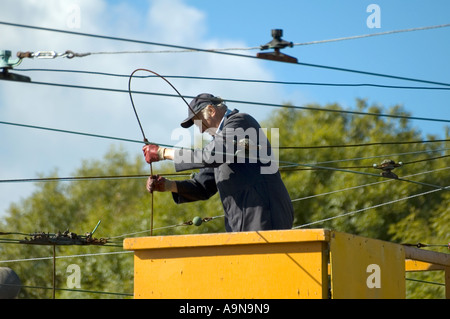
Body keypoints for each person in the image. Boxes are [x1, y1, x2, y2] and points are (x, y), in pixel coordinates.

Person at [142, 93, 294, 232]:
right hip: (240, 222)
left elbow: (212, 155)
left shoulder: (240, 121)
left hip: (263, 214)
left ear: (211, 111)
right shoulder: (220, 143)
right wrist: (168, 186)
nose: (200, 131)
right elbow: (202, 186)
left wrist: (163, 153)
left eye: (199, 123)